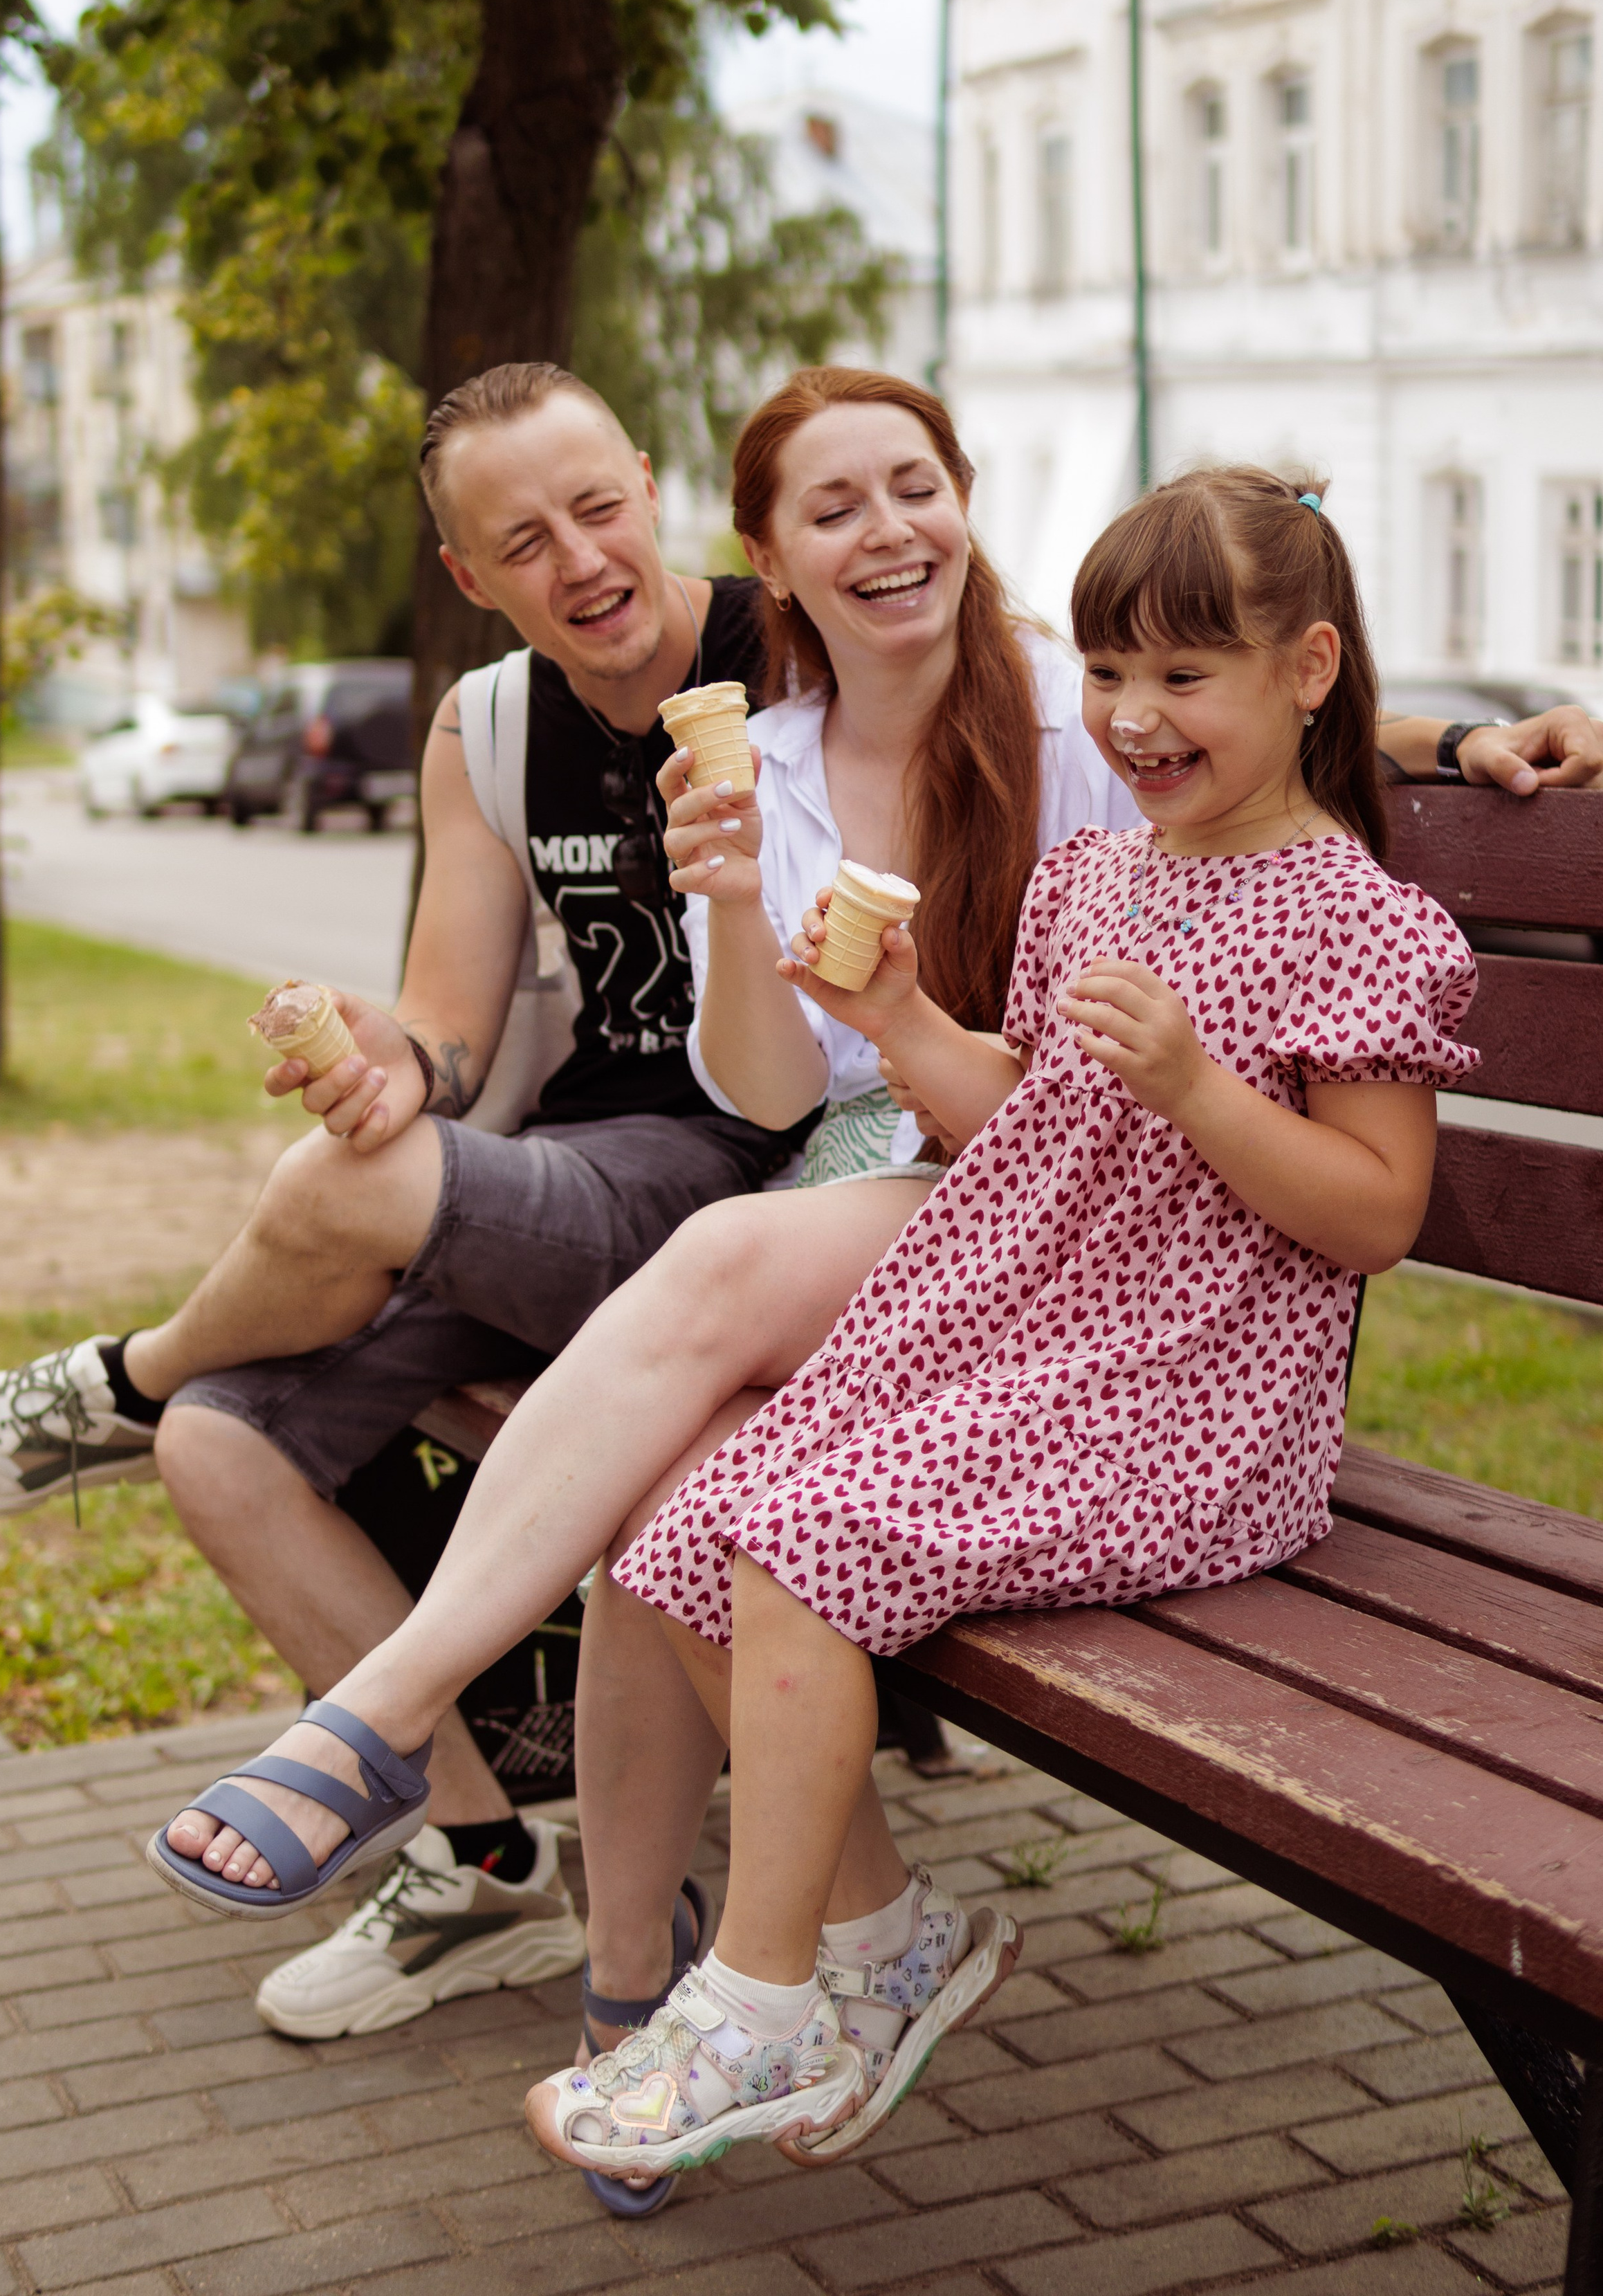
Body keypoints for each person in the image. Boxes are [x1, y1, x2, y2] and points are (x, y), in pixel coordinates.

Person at [137, 465, 1478, 2181]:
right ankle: (883, 1946)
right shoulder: (1095, 881)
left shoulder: (1361, 919)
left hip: (1196, 1399)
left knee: (794, 1529)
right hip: (1035, 1349)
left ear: (1305, 671)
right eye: (1106, 675)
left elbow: (1373, 1215)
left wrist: (1202, 1089)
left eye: (1182, 678)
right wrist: (905, 1021)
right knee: (691, 1515)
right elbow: (1026, 1117)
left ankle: (758, 1999)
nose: (1134, 719)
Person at [0, 361, 818, 2023]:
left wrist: (1430, 731)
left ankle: (109, 1380)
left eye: (599, 507)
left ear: (655, 486)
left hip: (755, 1192)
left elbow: (1079, 690)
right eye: (520, 541)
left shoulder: (802, 640)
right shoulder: (491, 725)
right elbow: (450, 1026)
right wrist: (397, 1065)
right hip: (580, 1171)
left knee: (332, 1199)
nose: (579, 560)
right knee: (222, 1441)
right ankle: (481, 1865)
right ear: (467, 576)